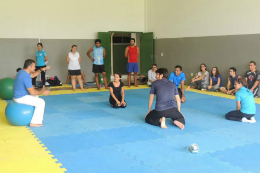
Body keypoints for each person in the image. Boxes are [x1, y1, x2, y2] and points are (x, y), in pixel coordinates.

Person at [13, 59, 50, 127]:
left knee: (36, 97)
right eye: (34, 66)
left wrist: (40, 70)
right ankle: (34, 122)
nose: (35, 67)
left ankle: (33, 117)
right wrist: (43, 91)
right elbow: (32, 92)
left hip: (20, 95)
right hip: (20, 97)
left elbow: (33, 75)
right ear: (29, 67)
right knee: (41, 102)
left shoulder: (22, 72)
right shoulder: (25, 76)